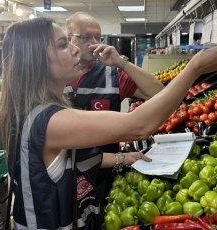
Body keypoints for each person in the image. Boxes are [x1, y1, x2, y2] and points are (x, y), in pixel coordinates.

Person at [0, 17, 217, 229]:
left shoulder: (36, 112)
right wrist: (195, 67)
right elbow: (140, 125)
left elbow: (74, 158)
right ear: (37, 60)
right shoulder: (49, 120)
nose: (75, 49)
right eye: (62, 45)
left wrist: (123, 158)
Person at [65, 12, 165, 205]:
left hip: (102, 172)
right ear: (69, 39)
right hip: (61, 173)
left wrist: (121, 63)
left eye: (97, 37)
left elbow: (159, 93)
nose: (93, 42)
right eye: (86, 37)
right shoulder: (54, 75)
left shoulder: (112, 74)